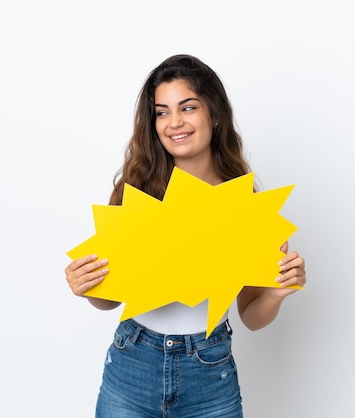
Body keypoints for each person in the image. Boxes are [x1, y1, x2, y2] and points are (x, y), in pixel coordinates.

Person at [65, 54, 307, 417]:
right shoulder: (138, 190)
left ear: (214, 112)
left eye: (187, 107)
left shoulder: (243, 204)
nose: (174, 122)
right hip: (132, 365)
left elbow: (252, 317)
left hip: (210, 373)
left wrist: (276, 293)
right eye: (162, 112)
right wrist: (86, 286)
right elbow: (110, 300)